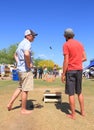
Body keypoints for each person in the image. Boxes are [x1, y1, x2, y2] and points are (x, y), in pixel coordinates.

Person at [7, 29, 38, 114]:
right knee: (25, 90)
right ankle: (23, 109)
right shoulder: (27, 43)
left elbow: (15, 55)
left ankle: (10, 103)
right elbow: (27, 54)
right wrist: (28, 64)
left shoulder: (21, 43)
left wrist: (19, 63)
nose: (34, 37)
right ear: (28, 36)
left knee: (20, 87)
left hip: (20, 70)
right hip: (25, 70)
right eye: (33, 36)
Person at [61, 28, 87, 119]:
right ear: (73, 35)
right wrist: (77, 61)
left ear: (65, 36)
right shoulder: (80, 44)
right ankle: (83, 112)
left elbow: (66, 60)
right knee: (79, 92)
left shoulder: (66, 44)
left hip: (71, 71)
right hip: (79, 70)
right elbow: (85, 58)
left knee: (71, 93)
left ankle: (73, 114)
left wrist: (63, 74)